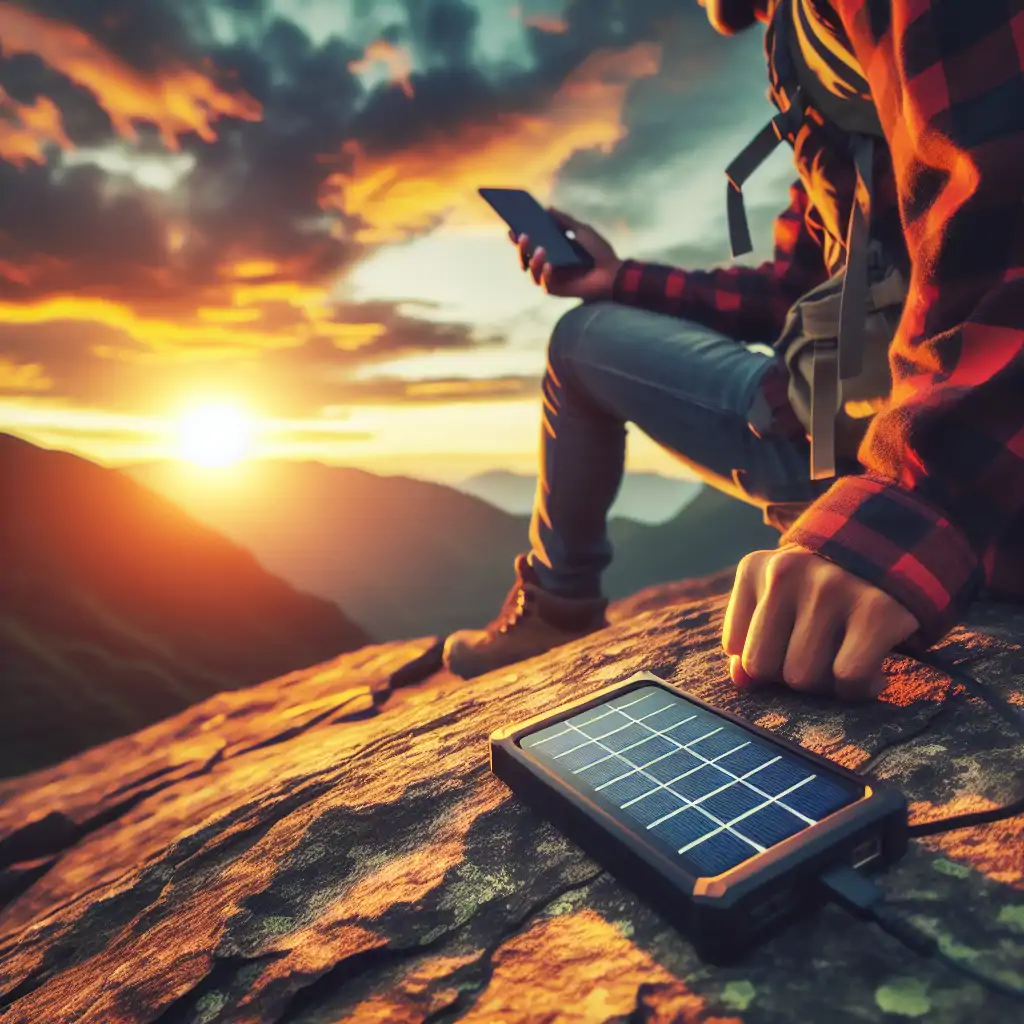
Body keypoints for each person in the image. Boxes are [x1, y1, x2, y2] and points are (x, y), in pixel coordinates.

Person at [443, 0, 1024, 699]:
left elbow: (1005, 208)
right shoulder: (809, 47)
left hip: (922, 446)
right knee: (595, 320)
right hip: (891, 424)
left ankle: (557, 609)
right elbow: (799, 283)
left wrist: (913, 508)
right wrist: (616, 278)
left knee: (581, 341)